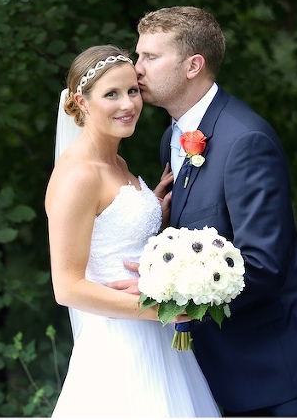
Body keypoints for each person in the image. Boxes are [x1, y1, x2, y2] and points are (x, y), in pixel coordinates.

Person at [109, 7, 297, 416]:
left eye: (150, 57)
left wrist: (163, 292)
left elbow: (263, 264)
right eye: (138, 56)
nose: (136, 69)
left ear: (193, 66)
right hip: (225, 373)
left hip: (285, 370)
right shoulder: (172, 137)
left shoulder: (246, 140)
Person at [45, 44, 221, 417]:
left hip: (156, 336)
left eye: (132, 91)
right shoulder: (78, 175)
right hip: (120, 345)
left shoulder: (116, 161)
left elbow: (110, 228)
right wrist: (159, 310)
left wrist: (151, 210)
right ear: (82, 101)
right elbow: (67, 288)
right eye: (111, 94)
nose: (128, 104)